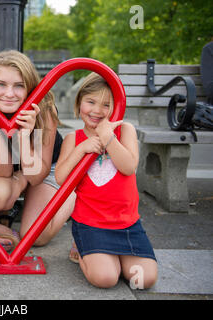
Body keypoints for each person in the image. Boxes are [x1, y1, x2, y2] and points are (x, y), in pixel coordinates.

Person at [0, 50, 76, 249]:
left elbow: (37, 176)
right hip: (9, 170)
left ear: (29, 87)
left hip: (43, 169)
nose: (9, 94)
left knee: (36, 237)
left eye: (19, 86)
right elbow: (3, 171)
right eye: (1, 84)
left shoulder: (44, 108)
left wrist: (22, 138)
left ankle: (72, 193)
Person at [55, 72, 158, 289]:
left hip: (127, 224)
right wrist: (82, 149)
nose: (97, 111)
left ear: (117, 107)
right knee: (106, 279)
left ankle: (116, 258)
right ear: (79, 102)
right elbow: (61, 178)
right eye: (90, 102)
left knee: (142, 280)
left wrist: (107, 137)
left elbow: (129, 166)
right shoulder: (73, 139)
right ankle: (82, 250)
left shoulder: (125, 130)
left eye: (106, 105)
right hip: (92, 224)